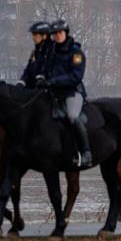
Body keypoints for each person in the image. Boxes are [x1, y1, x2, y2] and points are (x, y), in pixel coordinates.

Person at [44, 19, 91, 167]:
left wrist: (54, 81)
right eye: (54, 34)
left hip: (72, 92)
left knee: (72, 116)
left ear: (65, 33)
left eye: (60, 33)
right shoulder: (50, 52)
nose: (57, 36)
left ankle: (86, 153)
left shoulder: (76, 53)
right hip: (54, 93)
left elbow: (76, 76)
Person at [17, 21, 52, 88]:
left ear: (44, 36)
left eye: (35, 35)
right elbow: (28, 70)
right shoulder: (35, 52)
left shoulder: (53, 50)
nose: (33, 37)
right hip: (32, 90)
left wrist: (43, 78)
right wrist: (22, 82)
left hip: (47, 91)